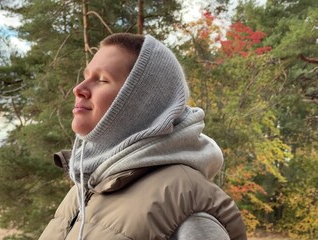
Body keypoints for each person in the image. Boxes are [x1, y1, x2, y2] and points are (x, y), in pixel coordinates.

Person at [39, 33, 247, 240]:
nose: (79, 89)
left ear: (142, 103)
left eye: (102, 79)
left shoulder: (184, 206)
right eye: (86, 77)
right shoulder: (86, 186)